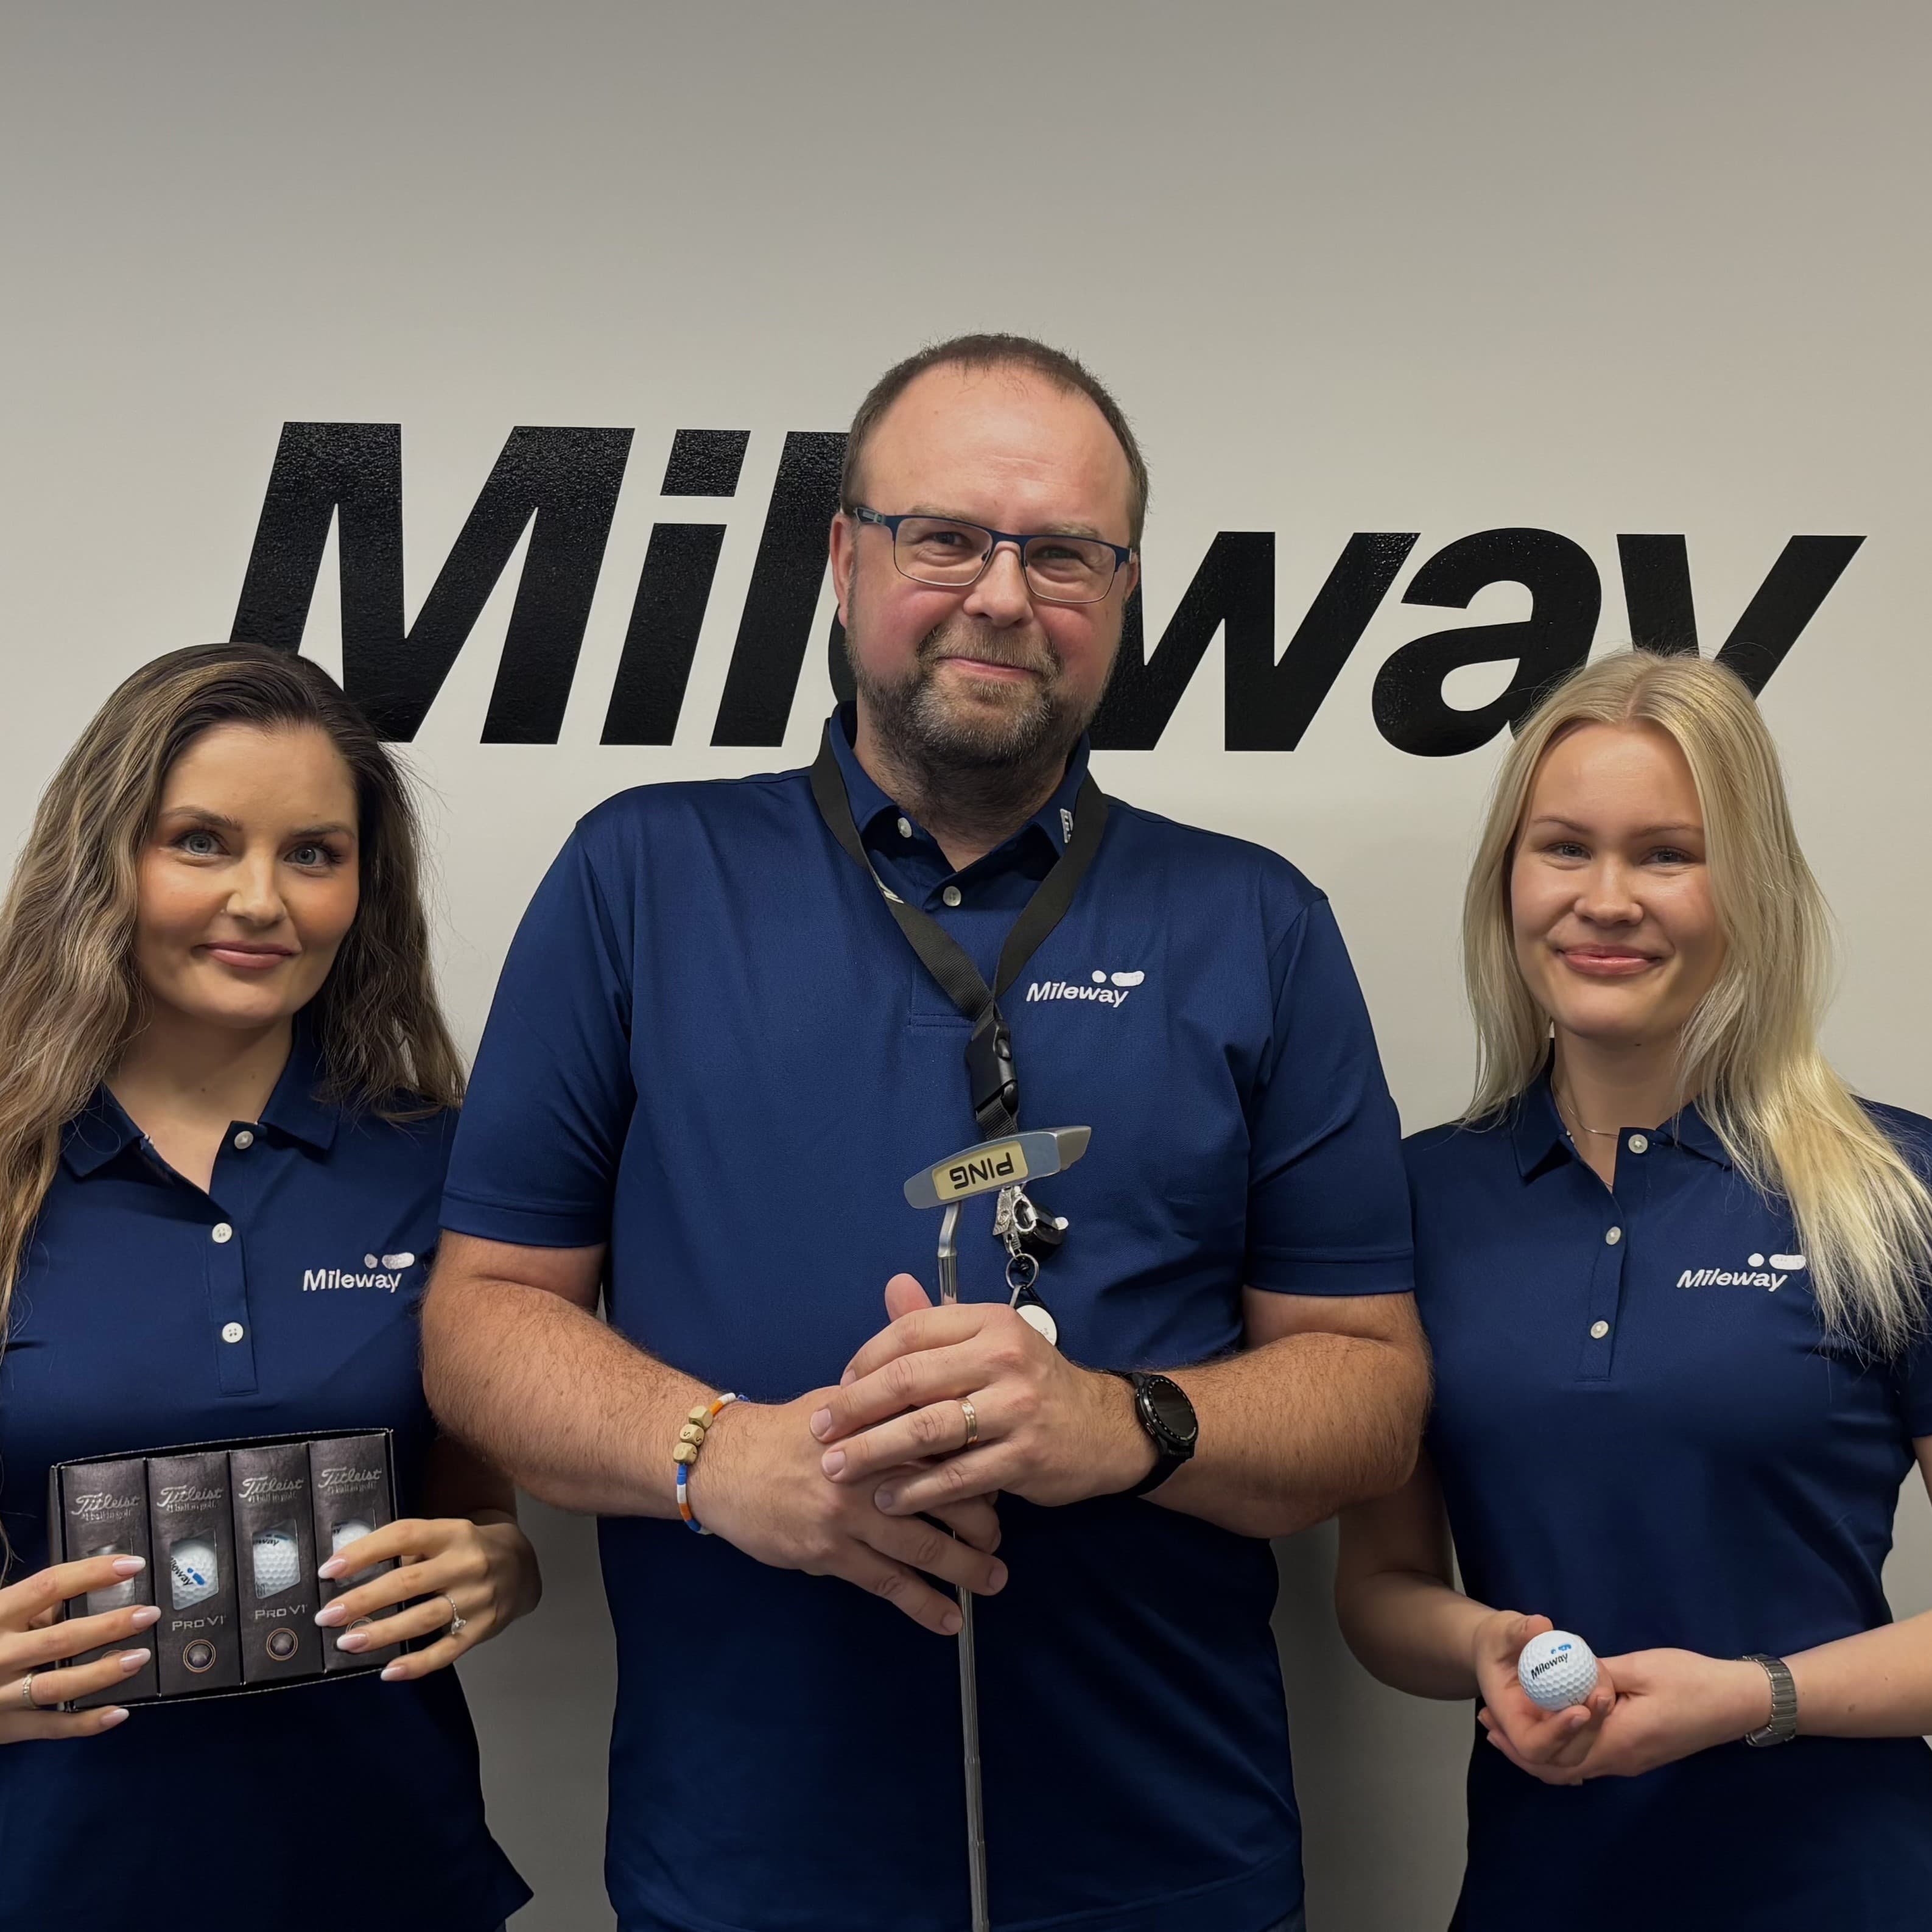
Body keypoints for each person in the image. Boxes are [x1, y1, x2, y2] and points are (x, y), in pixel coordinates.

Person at [422, 332, 1429, 1932]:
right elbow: (481, 1320)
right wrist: (720, 1455)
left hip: (1163, 1862)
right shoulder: (641, 877)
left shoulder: (1253, 920)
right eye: (944, 535)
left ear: (1122, 589)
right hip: (747, 1863)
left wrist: (1129, 1423)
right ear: (842, 559)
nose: (1001, 594)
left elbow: (1369, 1389)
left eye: (1061, 553)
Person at [1335, 650, 1932, 1930]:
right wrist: (1479, 1651)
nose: (1607, 900)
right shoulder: (1409, 1200)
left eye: (1667, 854)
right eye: (1564, 848)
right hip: (1540, 1894)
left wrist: (1753, 1697)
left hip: (1850, 1891)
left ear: (1747, 890)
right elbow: (1380, 1589)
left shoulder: (1896, 1191)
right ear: (1509, 881)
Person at [0, 643, 537, 1932]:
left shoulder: (445, 1163)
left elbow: (479, 1505)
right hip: (55, 1884)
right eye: (200, 842)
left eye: (312, 852)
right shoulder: (12, 1163)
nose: (262, 900)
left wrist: (506, 1567)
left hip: (393, 1880)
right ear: (108, 863)